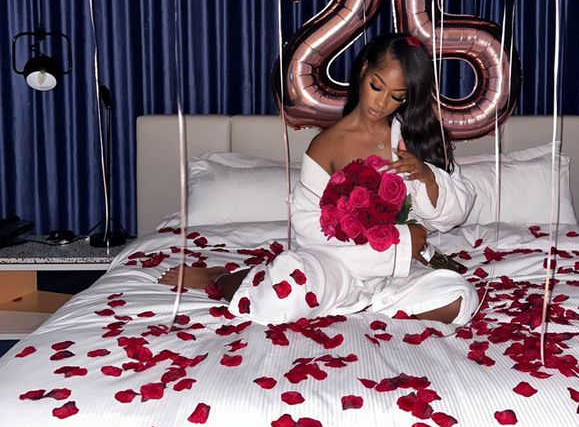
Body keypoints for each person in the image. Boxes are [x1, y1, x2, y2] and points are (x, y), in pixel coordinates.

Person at [159, 33, 479, 326]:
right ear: (363, 70)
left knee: (458, 297)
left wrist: (428, 176)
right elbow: (308, 225)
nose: (381, 104)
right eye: (376, 86)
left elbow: (456, 213)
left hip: (397, 272)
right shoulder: (328, 144)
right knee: (281, 299)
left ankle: (359, 304)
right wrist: (399, 243)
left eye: (397, 96)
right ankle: (220, 278)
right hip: (334, 263)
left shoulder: (417, 138)